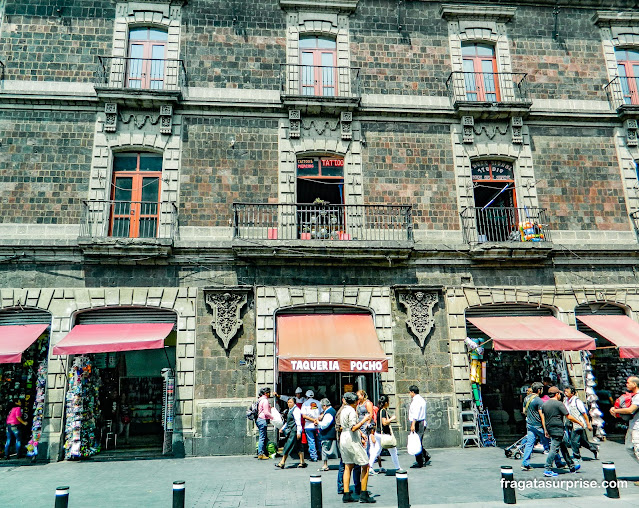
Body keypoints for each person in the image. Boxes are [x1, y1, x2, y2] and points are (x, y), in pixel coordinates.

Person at [339, 392, 376, 504]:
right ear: (355, 402)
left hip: (344, 437)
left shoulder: (343, 410)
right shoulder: (352, 411)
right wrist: (364, 420)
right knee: (365, 465)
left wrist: (361, 433)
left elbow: (346, 427)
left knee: (348, 465)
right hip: (351, 439)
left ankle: (346, 494)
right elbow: (353, 427)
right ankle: (363, 493)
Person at [542, 386, 583, 477]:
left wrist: (546, 430)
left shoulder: (545, 404)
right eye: (559, 394)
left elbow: (544, 418)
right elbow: (568, 416)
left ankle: (571, 466)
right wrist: (579, 422)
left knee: (563, 446)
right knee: (554, 449)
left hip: (550, 428)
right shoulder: (559, 404)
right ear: (557, 394)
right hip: (558, 429)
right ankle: (547, 468)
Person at [521, 382, 560, 471]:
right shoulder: (538, 400)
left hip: (530, 425)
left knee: (529, 444)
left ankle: (525, 463)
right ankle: (558, 462)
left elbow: (524, 411)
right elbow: (542, 416)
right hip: (538, 426)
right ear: (539, 390)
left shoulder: (527, 398)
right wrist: (546, 429)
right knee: (551, 444)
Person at [564, 386, 598, 461]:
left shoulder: (577, 401)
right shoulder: (566, 400)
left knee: (574, 440)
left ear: (572, 393)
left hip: (578, 424)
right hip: (570, 423)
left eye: (567, 392)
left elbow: (584, 413)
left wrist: (588, 424)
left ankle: (576, 456)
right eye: (565, 391)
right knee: (582, 441)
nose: (565, 393)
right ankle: (594, 448)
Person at [610, 376, 639, 464]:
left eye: (628, 383)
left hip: (637, 427)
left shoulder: (638, 396)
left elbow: (631, 410)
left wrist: (615, 410)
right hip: (632, 425)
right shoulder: (632, 396)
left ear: (634, 384)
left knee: (637, 448)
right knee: (629, 447)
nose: (626, 384)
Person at [336, 398, 361, 496]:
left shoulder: (347, 410)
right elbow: (339, 427)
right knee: (347, 465)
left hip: (347, 439)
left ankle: (347, 488)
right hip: (347, 440)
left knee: (347, 465)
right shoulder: (344, 411)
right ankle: (343, 487)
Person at [369, 395, 401, 472]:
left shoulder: (379, 410)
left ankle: (370, 466)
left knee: (377, 450)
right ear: (386, 403)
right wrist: (391, 419)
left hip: (378, 433)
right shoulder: (383, 411)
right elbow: (384, 422)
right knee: (393, 451)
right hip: (384, 434)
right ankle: (398, 467)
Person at [275, 397, 305, 469]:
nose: (289, 404)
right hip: (291, 430)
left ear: (294, 403)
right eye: (288, 402)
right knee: (298, 446)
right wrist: (283, 428)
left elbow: (298, 422)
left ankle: (282, 462)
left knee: (288, 446)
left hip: (294, 431)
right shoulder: (290, 410)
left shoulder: (296, 410)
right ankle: (302, 462)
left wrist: (299, 432)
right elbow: (288, 422)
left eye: (290, 402)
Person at [408, 385, 430, 468]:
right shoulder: (421, 400)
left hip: (418, 423)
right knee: (418, 441)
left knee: (416, 442)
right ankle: (425, 455)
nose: (410, 394)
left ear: (413, 392)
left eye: (410, 392)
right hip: (421, 422)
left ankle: (420, 461)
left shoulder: (416, 401)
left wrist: (413, 424)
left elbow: (416, 413)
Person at [316, 398, 338, 472]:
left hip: (328, 434)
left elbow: (325, 424)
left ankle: (325, 465)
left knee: (325, 448)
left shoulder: (329, 413)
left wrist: (318, 423)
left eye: (322, 406)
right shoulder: (330, 411)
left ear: (325, 405)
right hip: (329, 434)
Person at [302, 390, 321, 462]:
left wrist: (312, 420)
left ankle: (314, 457)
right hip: (318, 425)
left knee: (311, 441)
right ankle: (320, 454)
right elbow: (322, 413)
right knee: (319, 440)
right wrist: (316, 420)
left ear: (306, 396)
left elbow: (304, 416)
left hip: (308, 425)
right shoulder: (318, 403)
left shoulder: (305, 404)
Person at [256, 387, 273, 460]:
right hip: (262, 419)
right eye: (269, 393)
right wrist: (272, 417)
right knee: (262, 437)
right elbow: (266, 412)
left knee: (262, 436)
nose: (270, 394)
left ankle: (262, 452)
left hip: (259, 419)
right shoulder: (265, 401)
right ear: (266, 393)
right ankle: (260, 453)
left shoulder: (260, 400)